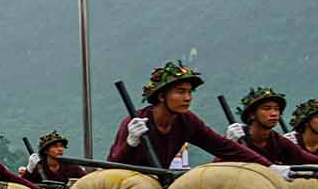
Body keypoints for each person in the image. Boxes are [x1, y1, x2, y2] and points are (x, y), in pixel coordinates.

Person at [106, 62, 268, 168]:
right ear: (161, 96)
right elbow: (114, 166)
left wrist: (268, 167)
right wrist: (131, 143)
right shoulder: (134, 123)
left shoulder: (187, 121)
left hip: (159, 184)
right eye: (180, 92)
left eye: (190, 92)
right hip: (129, 185)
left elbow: (222, 147)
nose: (187, 98)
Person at [224, 89, 317, 168]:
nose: (274, 113)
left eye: (277, 109)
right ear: (252, 114)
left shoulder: (278, 141)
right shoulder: (236, 136)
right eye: (267, 108)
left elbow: (306, 158)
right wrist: (230, 144)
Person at [23, 131, 89, 186]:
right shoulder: (38, 167)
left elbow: (87, 180)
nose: (60, 149)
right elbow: (23, 185)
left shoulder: (71, 167)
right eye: (55, 146)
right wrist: (29, 169)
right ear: (46, 150)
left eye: (61, 146)